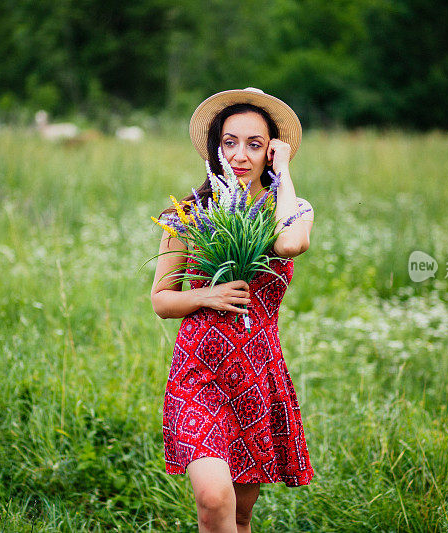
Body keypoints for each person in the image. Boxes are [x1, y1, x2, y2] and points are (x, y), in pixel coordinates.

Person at [150, 87, 314, 533]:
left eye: (255, 144)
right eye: (229, 142)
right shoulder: (188, 214)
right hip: (198, 370)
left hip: (255, 373)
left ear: (272, 151)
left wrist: (284, 174)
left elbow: (290, 244)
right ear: (215, 149)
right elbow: (162, 300)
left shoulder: (292, 211)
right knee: (213, 499)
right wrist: (207, 296)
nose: (240, 155)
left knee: (240, 515)